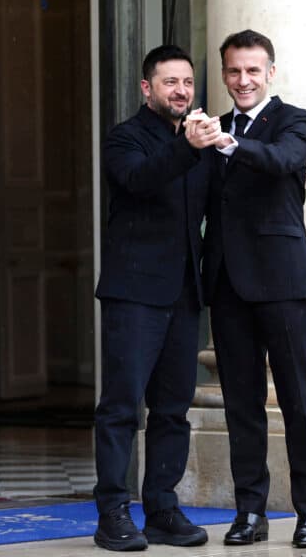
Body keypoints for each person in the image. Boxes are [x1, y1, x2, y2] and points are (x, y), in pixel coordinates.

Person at [199, 30, 306, 549]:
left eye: (253, 70)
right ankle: (249, 512)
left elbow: (283, 161)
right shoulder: (212, 127)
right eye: (233, 71)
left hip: (285, 281)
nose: (243, 80)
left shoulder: (294, 120)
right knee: (240, 405)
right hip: (228, 282)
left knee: (298, 401)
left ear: (270, 72)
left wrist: (228, 142)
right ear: (224, 74)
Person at [91, 44, 219, 552]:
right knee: (122, 407)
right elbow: (140, 180)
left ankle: (163, 507)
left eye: (187, 82)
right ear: (147, 88)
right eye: (170, 82)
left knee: (172, 409)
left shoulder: (200, 142)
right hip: (134, 294)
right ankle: (113, 513)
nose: (181, 91)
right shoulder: (125, 137)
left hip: (184, 293)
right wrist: (189, 147)